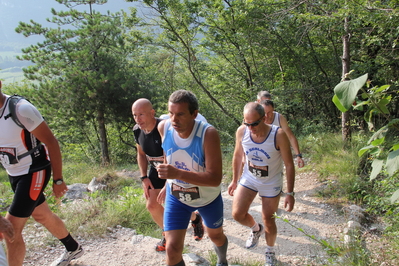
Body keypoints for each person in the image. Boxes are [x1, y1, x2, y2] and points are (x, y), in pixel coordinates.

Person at [0, 81, 83, 266]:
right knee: (41, 215)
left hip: (34, 170)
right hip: (13, 173)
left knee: (10, 230)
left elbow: (51, 142)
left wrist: (58, 179)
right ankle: (73, 248)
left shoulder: (20, 109)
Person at [156, 90, 228, 266]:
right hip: (177, 197)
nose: (174, 119)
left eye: (180, 114)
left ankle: (222, 260)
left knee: (215, 236)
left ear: (194, 114)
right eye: (171, 113)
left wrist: (177, 174)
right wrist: (168, 182)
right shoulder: (163, 127)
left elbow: (214, 178)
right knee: (172, 249)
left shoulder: (208, 134)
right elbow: (169, 156)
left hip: (207, 198)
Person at [131, 98, 204, 252]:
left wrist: (168, 184)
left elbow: (172, 155)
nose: (138, 119)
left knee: (177, 204)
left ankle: (195, 219)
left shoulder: (164, 127)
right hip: (156, 169)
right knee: (152, 204)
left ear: (152, 113)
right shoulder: (137, 130)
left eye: (141, 115)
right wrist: (144, 177)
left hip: (175, 167)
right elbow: (141, 154)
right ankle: (168, 234)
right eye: (135, 115)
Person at [228, 102, 295, 266]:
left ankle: (270, 252)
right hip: (250, 177)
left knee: (269, 220)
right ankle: (255, 229)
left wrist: (290, 193)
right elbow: (237, 156)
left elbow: (289, 164)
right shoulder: (242, 132)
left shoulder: (278, 134)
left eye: (254, 123)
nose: (251, 128)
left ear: (264, 118)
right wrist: (234, 180)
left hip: (271, 181)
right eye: (247, 123)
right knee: (237, 214)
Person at [260, 99, 305, 168]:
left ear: (273, 110)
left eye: (269, 112)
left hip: (276, 150)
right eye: (264, 113)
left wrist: (298, 155)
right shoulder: (257, 119)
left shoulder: (279, 118)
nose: (266, 116)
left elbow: (290, 136)